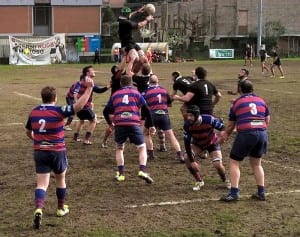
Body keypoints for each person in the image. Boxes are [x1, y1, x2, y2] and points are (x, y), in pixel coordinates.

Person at [25, 78, 94, 229]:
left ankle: (38, 208)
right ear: (55, 99)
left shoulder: (34, 112)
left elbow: (28, 131)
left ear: (42, 97)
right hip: (57, 151)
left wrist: (36, 140)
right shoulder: (58, 111)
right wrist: (89, 88)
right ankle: (60, 208)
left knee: (42, 184)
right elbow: (79, 106)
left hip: (40, 151)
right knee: (60, 179)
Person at [219, 80, 270, 202]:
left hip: (247, 133)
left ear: (240, 89)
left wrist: (225, 135)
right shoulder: (261, 100)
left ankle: (234, 192)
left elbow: (231, 126)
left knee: (234, 161)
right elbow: (267, 119)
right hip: (262, 133)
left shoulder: (237, 102)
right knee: (257, 163)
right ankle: (261, 192)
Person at [103, 75, 156, 184]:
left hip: (120, 124)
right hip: (134, 123)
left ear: (121, 84)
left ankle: (121, 174)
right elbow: (146, 109)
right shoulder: (137, 93)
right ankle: (142, 170)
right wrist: (151, 125)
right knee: (141, 148)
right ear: (131, 83)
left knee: (119, 148)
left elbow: (105, 110)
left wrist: (110, 124)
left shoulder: (115, 94)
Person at [183, 105, 231, 191]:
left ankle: (225, 180)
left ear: (197, 115)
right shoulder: (187, 125)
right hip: (198, 144)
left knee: (217, 165)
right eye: (188, 115)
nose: (188, 117)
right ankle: (199, 181)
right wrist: (192, 161)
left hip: (212, 143)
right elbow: (187, 144)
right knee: (186, 158)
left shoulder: (208, 119)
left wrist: (222, 137)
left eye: (191, 115)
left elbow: (222, 127)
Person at [142, 74, 185, 163]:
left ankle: (151, 154)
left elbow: (143, 106)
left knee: (146, 133)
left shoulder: (145, 92)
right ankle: (180, 155)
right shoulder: (164, 90)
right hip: (164, 115)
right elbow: (169, 102)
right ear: (158, 81)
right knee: (171, 135)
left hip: (152, 115)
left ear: (149, 82)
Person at [73, 65, 110, 145]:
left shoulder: (83, 79)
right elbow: (99, 90)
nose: (94, 71)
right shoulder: (89, 80)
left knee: (81, 120)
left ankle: (75, 137)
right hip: (84, 105)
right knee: (93, 121)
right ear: (87, 73)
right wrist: (109, 86)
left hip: (78, 105)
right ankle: (86, 139)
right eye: (92, 70)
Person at [118, 6, 154, 76]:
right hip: (126, 43)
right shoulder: (125, 22)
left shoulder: (122, 17)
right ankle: (127, 74)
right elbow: (139, 25)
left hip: (132, 42)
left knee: (144, 58)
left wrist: (138, 11)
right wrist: (147, 20)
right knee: (136, 58)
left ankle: (151, 74)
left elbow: (130, 14)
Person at [101, 65, 123, 148]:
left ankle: (104, 142)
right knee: (113, 126)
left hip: (109, 107)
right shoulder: (117, 78)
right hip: (111, 108)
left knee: (113, 125)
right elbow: (122, 70)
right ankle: (104, 142)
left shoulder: (115, 78)